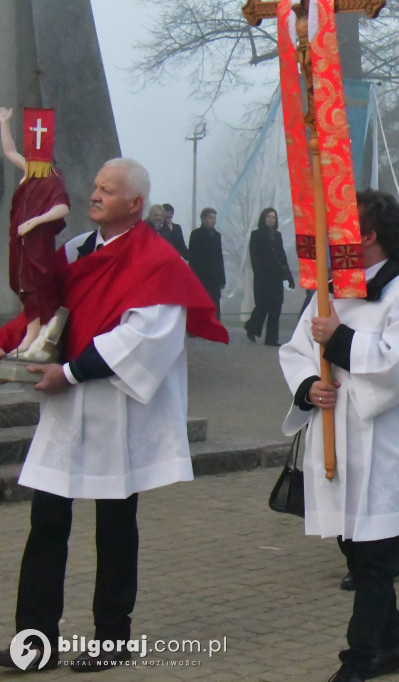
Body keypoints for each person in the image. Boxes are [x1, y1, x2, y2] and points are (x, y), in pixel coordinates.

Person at [0, 157, 227, 672]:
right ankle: (35, 643)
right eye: (95, 185)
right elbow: (44, 313)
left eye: (108, 189)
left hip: (118, 409)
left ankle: (111, 639)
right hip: (65, 411)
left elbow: (142, 340)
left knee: (115, 526)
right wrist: (13, 348)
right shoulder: (76, 250)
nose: (95, 194)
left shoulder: (159, 263)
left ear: (135, 204)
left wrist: (71, 373)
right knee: (46, 521)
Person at [279, 189, 399, 682]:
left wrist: (342, 341)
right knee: (355, 549)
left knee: (374, 559)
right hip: (336, 439)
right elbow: (296, 351)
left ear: (368, 237)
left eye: (340, 232)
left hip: (384, 443)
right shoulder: (330, 290)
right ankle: (391, 647)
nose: (328, 241)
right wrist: (309, 386)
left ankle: (357, 661)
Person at [0, 106, 69, 356]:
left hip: (37, 243)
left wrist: (35, 222)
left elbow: (62, 207)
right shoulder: (32, 170)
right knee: (21, 284)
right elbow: (9, 151)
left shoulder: (52, 176)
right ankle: (33, 331)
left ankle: (35, 334)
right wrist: (4, 123)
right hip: (20, 241)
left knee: (35, 284)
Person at [245, 207, 295, 346]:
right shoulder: (256, 235)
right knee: (262, 306)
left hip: (276, 278)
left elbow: (282, 256)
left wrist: (289, 276)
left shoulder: (277, 236)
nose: (271, 220)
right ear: (263, 218)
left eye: (273, 217)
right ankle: (252, 327)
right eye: (268, 217)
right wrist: (260, 275)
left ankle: (271, 339)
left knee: (276, 307)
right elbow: (254, 257)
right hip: (263, 277)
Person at [188, 207, 226, 318]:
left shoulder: (217, 236)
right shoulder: (196, 235)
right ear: (204, 219)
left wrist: (222, 278)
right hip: (200, 274)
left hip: (214, 277)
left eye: (215, 218)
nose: (213, 220)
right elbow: (193, 256)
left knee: (214, 302)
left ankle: (215, 325)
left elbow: (219, 258)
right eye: (211, 217)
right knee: (198, 301)